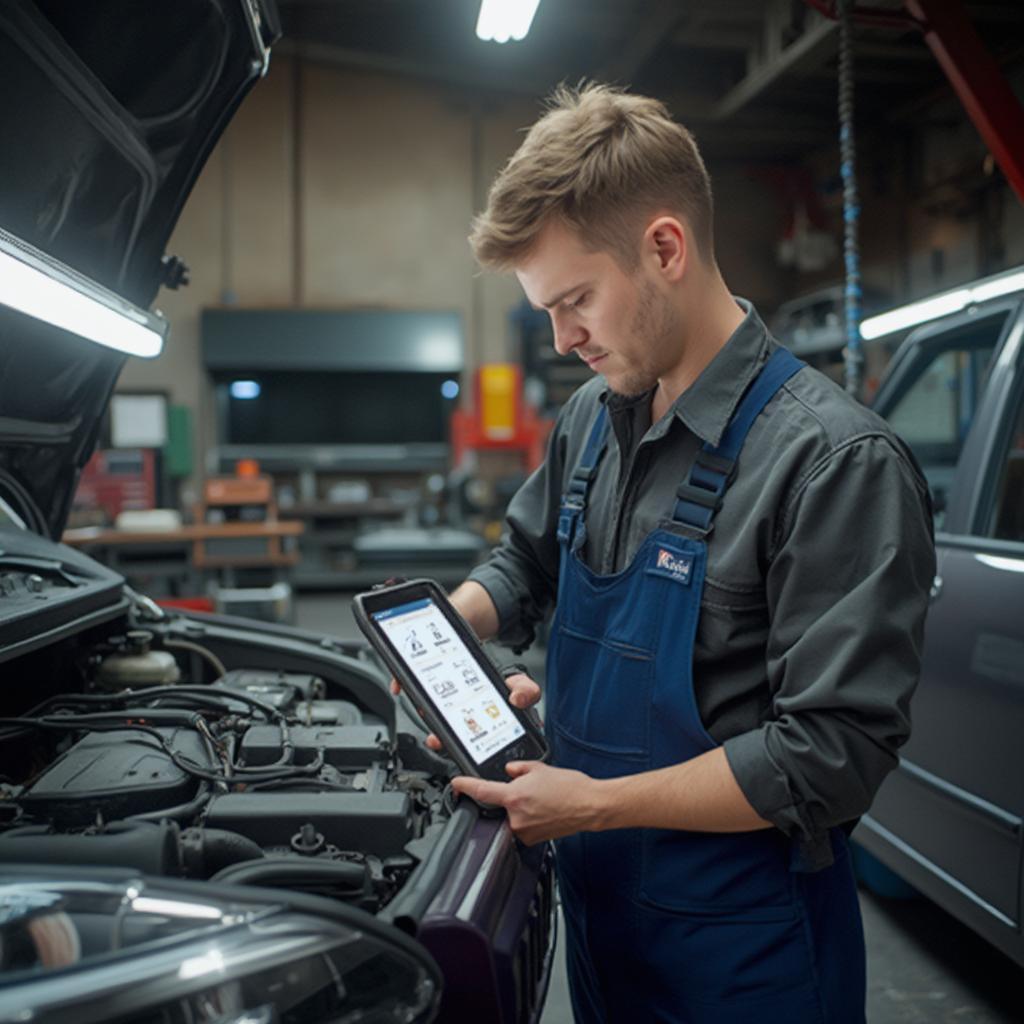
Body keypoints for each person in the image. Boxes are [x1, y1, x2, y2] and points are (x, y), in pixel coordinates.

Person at [398, 83, 935, 1023]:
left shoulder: (831, 463)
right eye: (545, 313)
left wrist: (593, 803)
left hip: (745, 956)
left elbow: (828, 756)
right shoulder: (591, 420)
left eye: (576, 302)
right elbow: (526, 563)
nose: (563, 341)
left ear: (665, 249)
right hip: (605, 931)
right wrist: (450, 629)